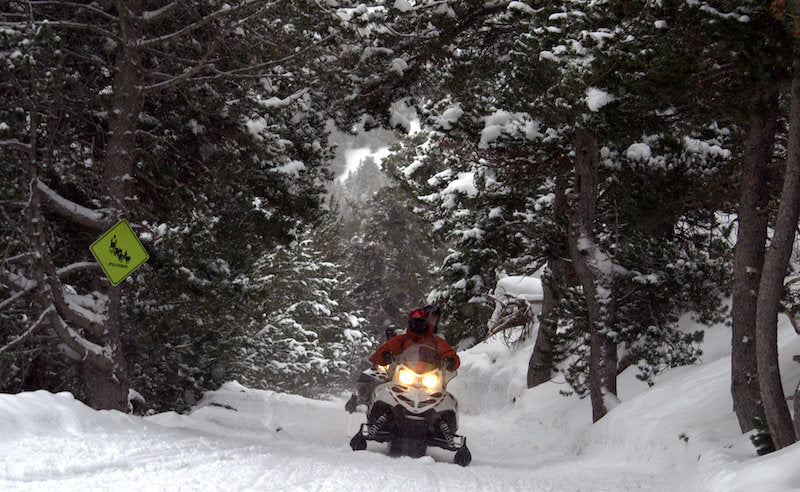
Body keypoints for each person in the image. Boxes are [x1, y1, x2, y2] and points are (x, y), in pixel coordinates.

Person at [369, 305, 460, 371]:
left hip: (429, 379)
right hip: (402, 376)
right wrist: (384, 355)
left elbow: (449, 353)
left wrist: (451, 361)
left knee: (445, 396)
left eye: (421, 322)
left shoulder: (436, 341)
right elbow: (381, 352)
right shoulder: (402, 339)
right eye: (415, 322)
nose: (418, 325)